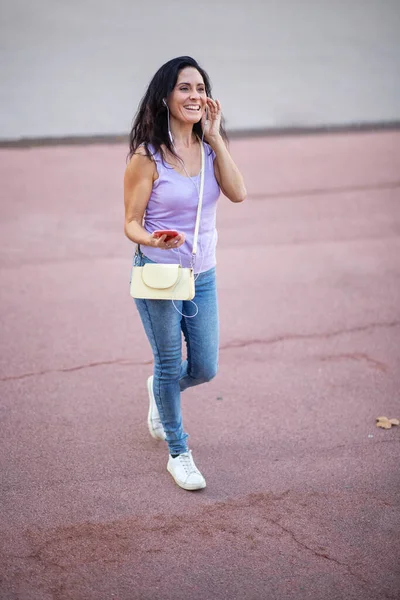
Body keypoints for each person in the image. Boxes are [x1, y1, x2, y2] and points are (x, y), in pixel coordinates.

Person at [124, 56, 246, 491]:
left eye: (200, 88)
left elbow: (238, 193)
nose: (195, 96)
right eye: (184, 88)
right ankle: (179, 453)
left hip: (203, 273)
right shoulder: (147, 156)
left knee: (206, 367)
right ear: (165, 97)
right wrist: (153, 241)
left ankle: (160, 389)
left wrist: (215, 138)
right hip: (159, 274)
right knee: (171, 361)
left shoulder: (212, 147)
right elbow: (131, 223)